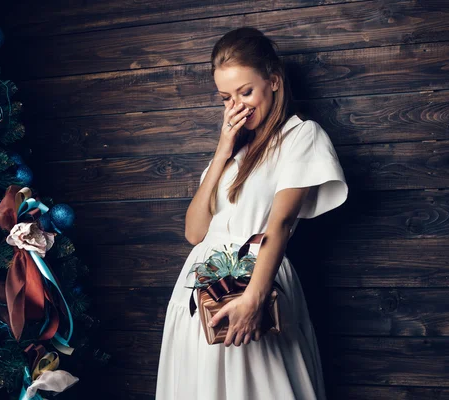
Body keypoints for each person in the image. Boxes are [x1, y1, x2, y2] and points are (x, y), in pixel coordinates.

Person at [155, 27, 348, 400]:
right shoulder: (232, 154)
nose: (238, 105)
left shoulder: (301, 136)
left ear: (273, 81)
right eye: (226, 97)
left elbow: (280, 223)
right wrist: (223, 149)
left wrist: (254, 300)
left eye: (246, 91)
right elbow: (195, 233)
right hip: (199, 292)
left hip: (255, 283)